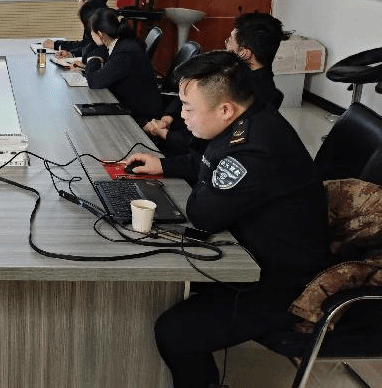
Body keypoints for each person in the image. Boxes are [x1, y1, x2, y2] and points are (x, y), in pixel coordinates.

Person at [122, 51, 328, 388]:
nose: (182, 115)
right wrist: (165, 165)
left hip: (281, 283)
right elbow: (206, 163)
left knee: (176, 333)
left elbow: (203, 215)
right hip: (255, 250)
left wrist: (201, 176)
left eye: (188, 108)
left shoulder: (253, 149)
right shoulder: (249, 118)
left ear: (225, 110)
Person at [143, 11, 290, 155]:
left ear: (244, 53)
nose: (226, 45)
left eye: (230, 41)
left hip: (182, 152)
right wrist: (167, 118)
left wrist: (163, 134)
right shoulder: (233, 71)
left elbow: (201, 147)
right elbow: (188, 94)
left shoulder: (246, 92)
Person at [76, 4, 162, 123]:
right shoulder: (122, 42)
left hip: (141, 115)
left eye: (91, 32)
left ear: (100, 34)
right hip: (129, 105)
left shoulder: (124, 52)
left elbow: (94, 81)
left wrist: (93, 59)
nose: (90, 35)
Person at [42, 0, 108, 58]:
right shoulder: (102, 16)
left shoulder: (97, 21)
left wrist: (57, 45)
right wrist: (71, 54)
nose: (78, 2)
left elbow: (88, 46)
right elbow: (88, 45)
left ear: (87, 3)